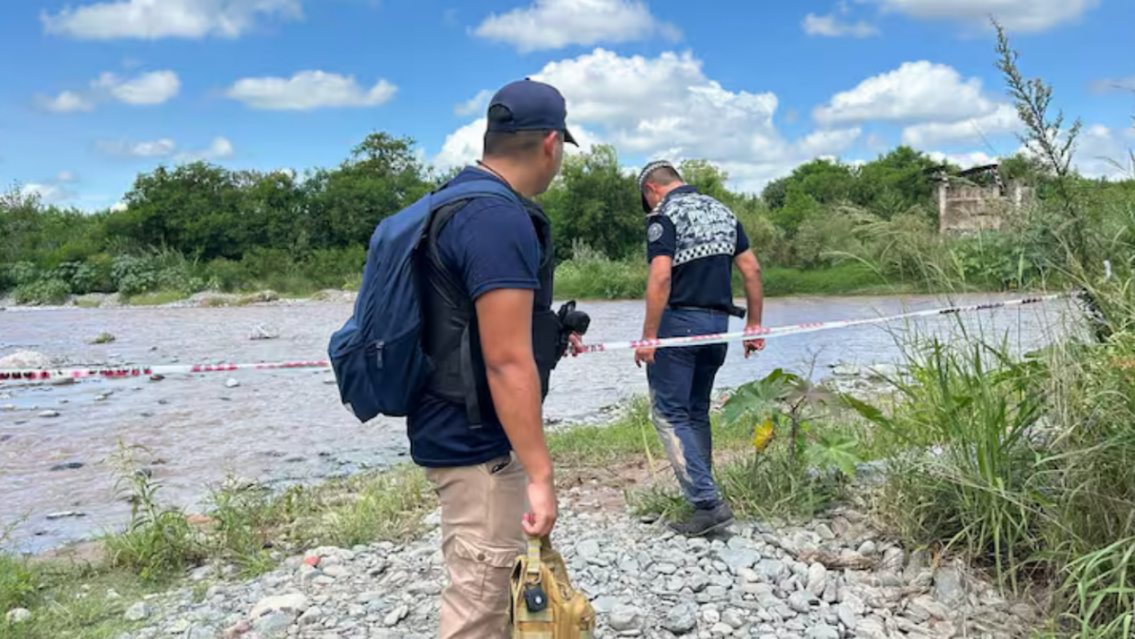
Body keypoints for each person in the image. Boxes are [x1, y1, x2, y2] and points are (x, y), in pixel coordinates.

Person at [409, 79, 581, 638]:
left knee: (491, 587)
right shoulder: (497, 219)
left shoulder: (453, 200)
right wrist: (541, 474)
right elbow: (506, 362)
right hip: (476, 443)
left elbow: (462, 322)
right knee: (478, 606)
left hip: (446, 420)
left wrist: (549, 336)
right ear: (552, 144)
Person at [633, 159, 765, 537]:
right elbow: (752, 270)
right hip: (717, 326)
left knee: (669, 415)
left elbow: (660, 276)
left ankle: (706, 504)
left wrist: (649, 335)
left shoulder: (664, 215)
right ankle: (705, 495)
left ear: (651, 190)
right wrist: (754, 324)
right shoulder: (723, 211)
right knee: (695, 411)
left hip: (678, 325)